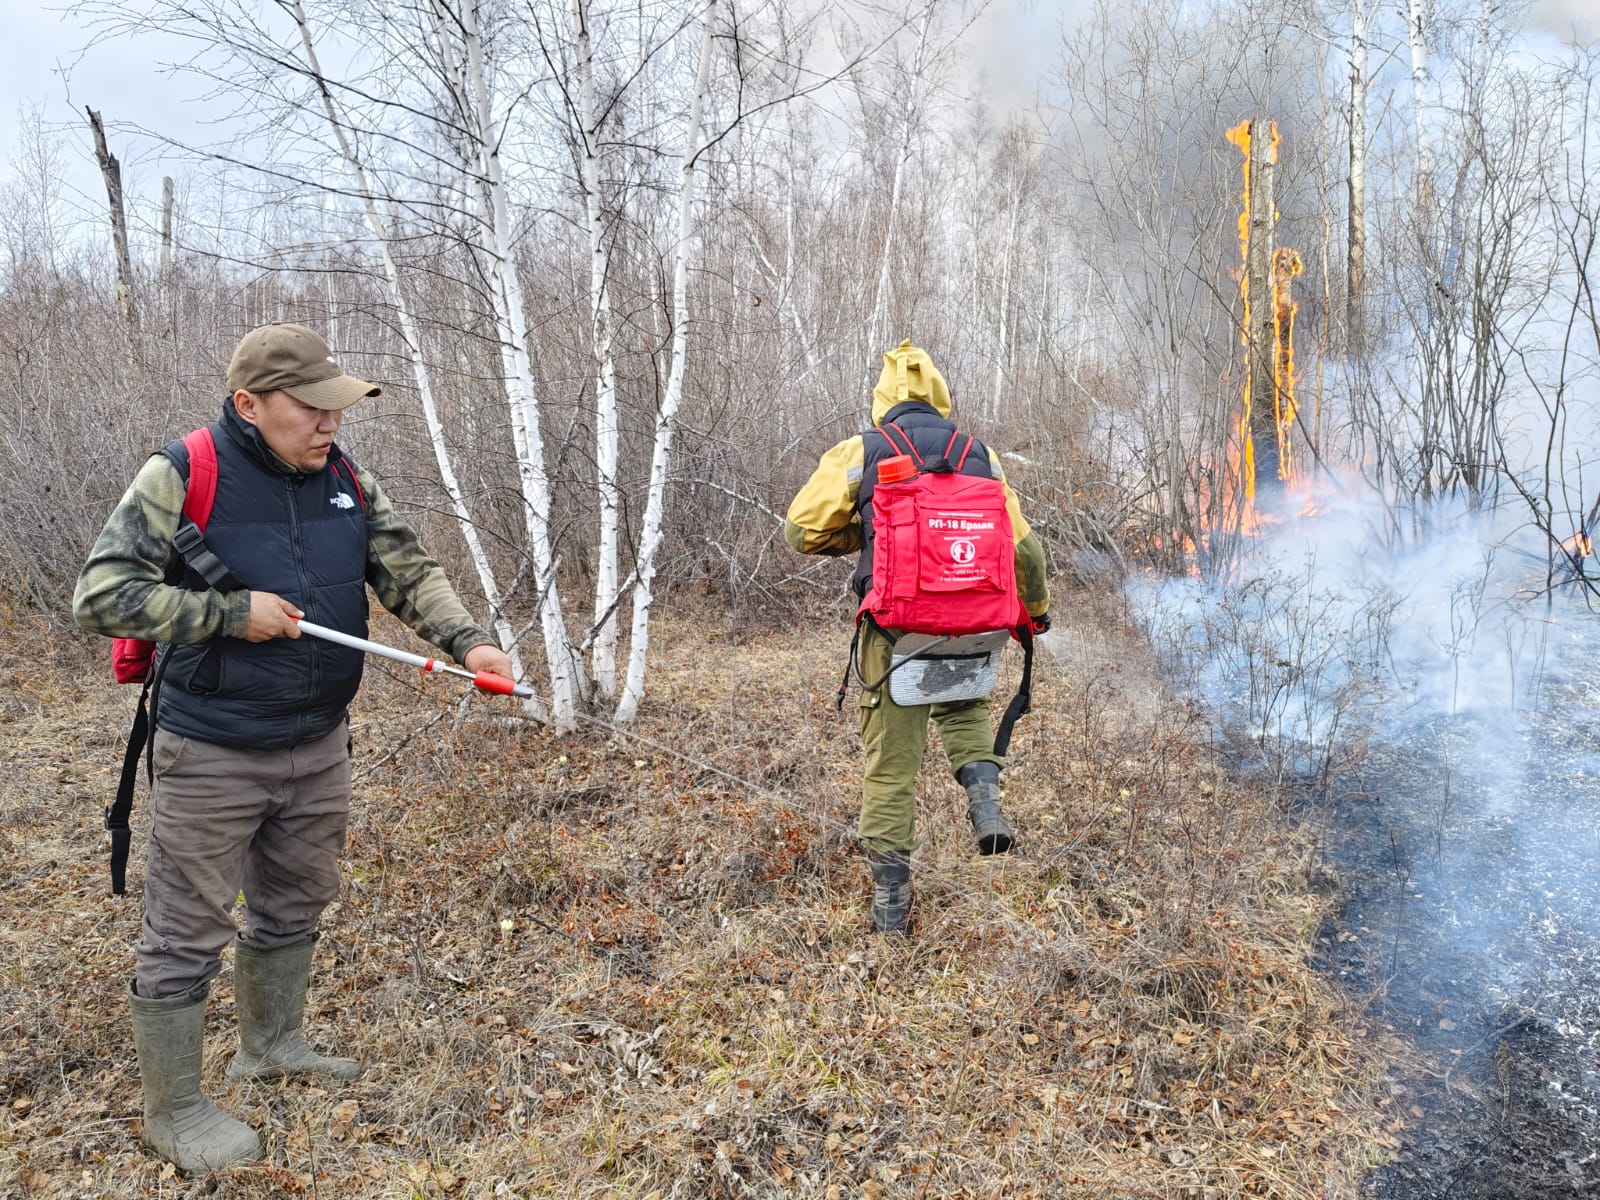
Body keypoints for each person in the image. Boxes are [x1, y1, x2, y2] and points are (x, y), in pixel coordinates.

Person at [73, 321, 515, 1173]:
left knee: (295, 901)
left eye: (336, 407)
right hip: (214, 748)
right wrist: (229, 615)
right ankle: (174, 1110)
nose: (329, 423)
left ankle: (271, 1046)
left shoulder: (343, 476)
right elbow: (100, 595)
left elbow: (405, 568)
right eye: (310, 408)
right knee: (185, 931)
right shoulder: (183, 471)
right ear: (249, 404)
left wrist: (470, 645)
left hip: (317, 741)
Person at [785, 340, 1050, 934]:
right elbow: (1025, 548)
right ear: (939, 397)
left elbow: (800, 530)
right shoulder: (978, 454)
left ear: (884, 402)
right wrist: (1035, 612)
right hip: (975, 624)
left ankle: (891, 907)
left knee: (891, 769)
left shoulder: (863, 451)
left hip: (897, 632)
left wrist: (862, 537)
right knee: (963, 708)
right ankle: (986, 808)